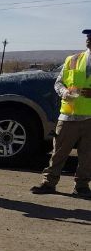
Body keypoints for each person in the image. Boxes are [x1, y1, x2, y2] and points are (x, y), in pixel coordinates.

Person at [30, 29, 91, 199]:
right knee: (59, 152)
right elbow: (59, 83)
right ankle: (49, 183)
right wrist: (64, 93)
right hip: (69, 116)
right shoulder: (73, 60)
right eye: (88, 36)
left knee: (88, 155)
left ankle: (82, 186)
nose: (88, 39)